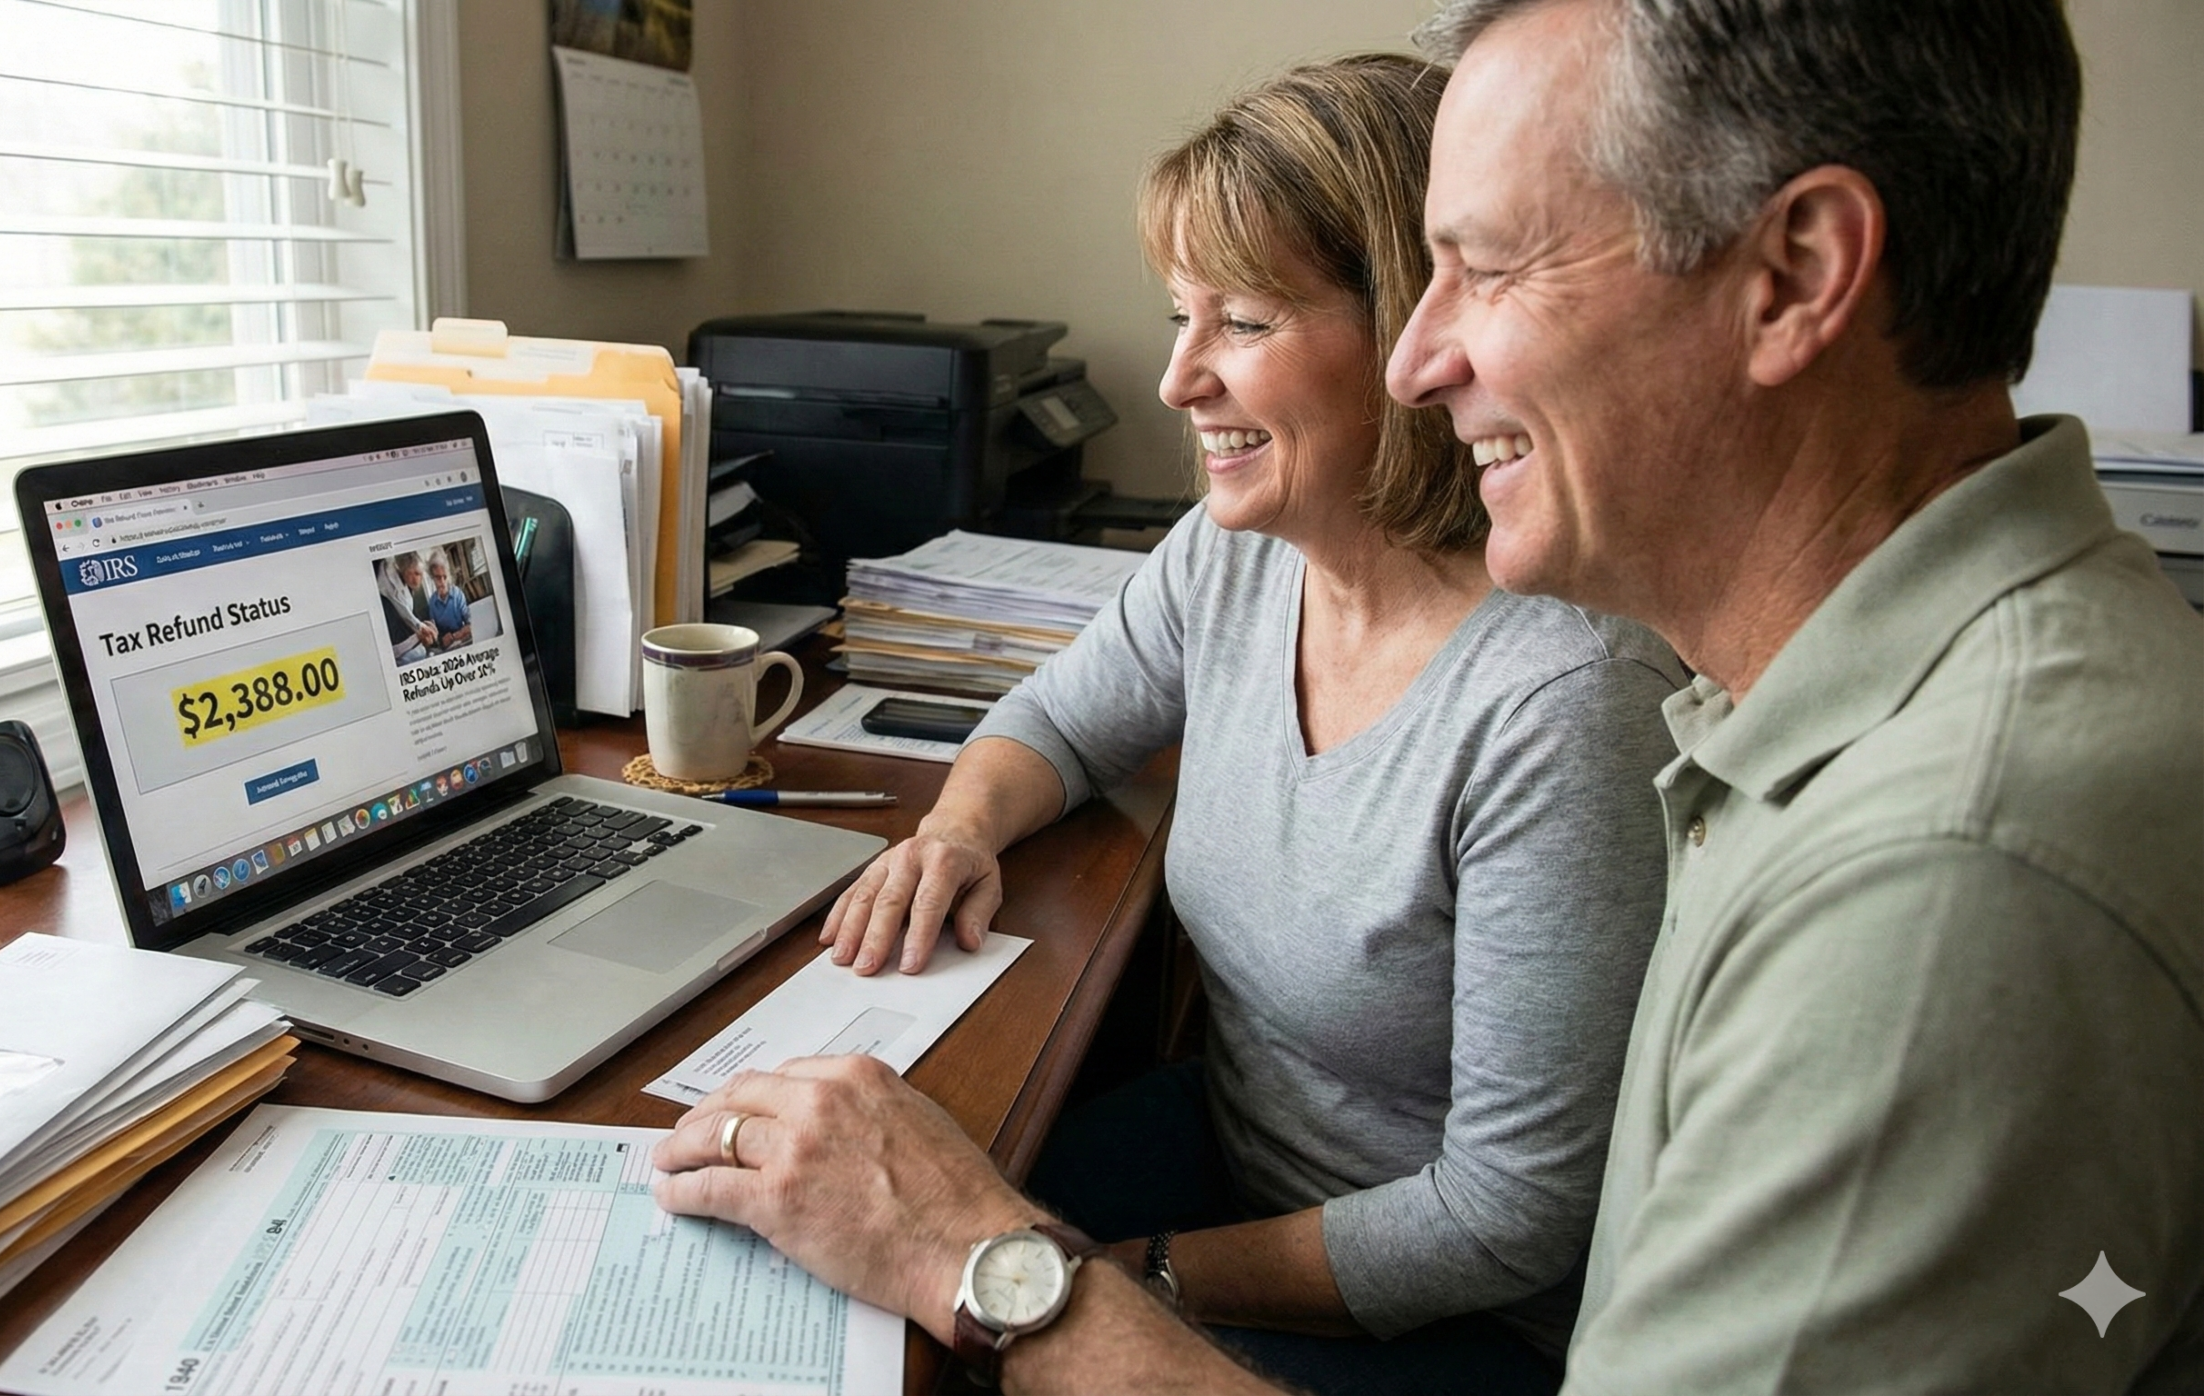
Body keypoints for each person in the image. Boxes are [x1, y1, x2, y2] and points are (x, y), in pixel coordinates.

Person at [653, 1, 2204, 1393]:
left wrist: (1005, 1275)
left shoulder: (1942, 880)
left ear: (1793, 276)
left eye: (1490, 265)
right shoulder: (1802, 696)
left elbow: (1516, 1218)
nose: (1418, 361)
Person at [812, 53, 1680, 1393]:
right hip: (1232, 1153)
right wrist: (958, 832)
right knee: (832, 1257)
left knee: (948, 1334)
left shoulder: (1564, 702)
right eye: (1180, 316)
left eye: (1246, 323)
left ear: (1418, 327)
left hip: (1448, 1315)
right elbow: (1062, 718)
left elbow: (1507, 1220)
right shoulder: (1243, 552)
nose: (1176, 382)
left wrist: (1128, 1280)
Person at [425, 553, 473, 648]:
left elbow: (470, 621)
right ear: (432, 578)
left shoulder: (458, 594)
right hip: (448, 646)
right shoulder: (432, 603)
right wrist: (441, 639)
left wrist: (458, 633)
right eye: (438, 577)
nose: (442, 582)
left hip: (462, 639)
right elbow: (435, 635)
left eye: (445, 577)